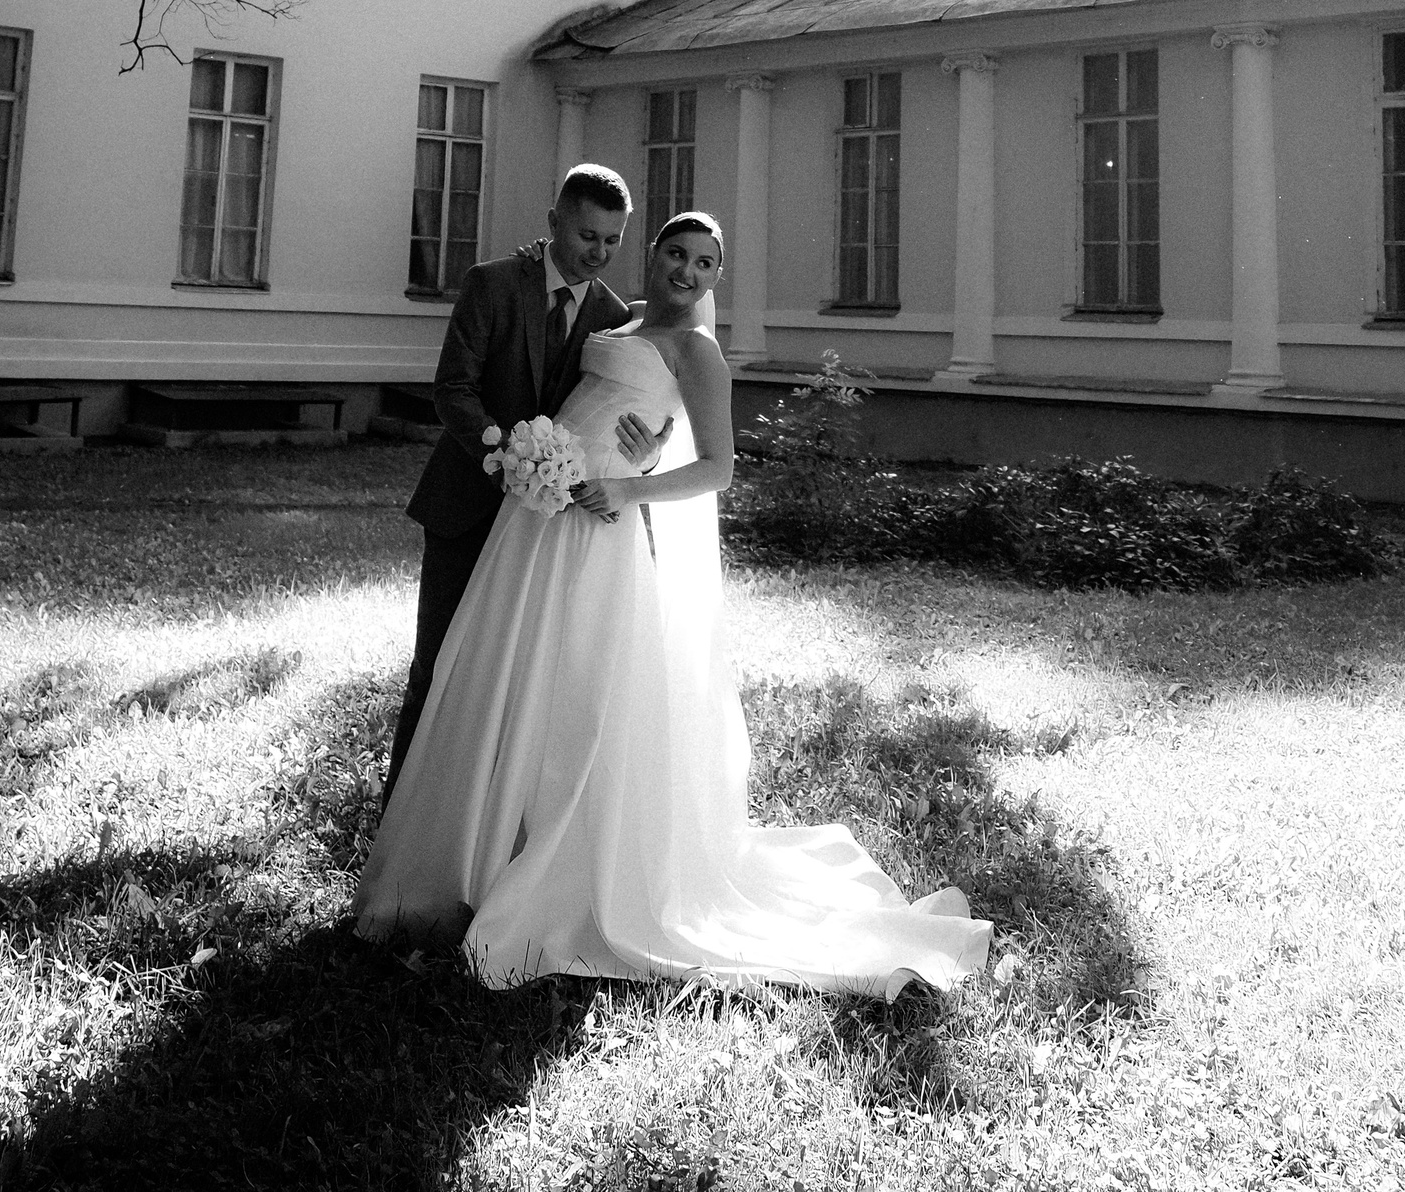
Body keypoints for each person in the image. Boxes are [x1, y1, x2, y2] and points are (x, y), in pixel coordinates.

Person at [353, 211, 991, 997]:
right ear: (651, 254)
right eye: (677, 254)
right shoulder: (616, 316)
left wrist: (631, 483)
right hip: (536, 519)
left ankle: (556, 861)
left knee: (579, 694)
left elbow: (718, 467)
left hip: (599, 526)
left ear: (717, 277)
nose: (688, 272)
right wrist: (590, 452)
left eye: (706, 263)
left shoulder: (699, 351)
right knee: (516, 679)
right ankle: (487, 851)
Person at [382, 165, 665, 802]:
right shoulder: (492, 283)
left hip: (543, 533)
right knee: (438, 662)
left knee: (513, 679)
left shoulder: (614, 317)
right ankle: (400, 814)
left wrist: (645, 458)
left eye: (613, 240)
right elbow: (452, 389)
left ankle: (482, 816)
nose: (599, 253)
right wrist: (506, 453)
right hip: (465, 507)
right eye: (587, 236)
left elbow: (616, 417)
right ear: (554, 222)